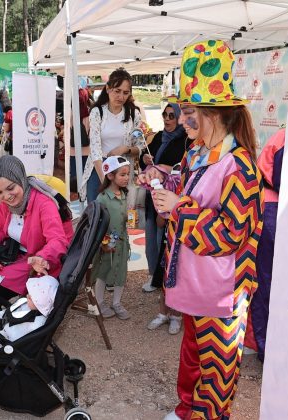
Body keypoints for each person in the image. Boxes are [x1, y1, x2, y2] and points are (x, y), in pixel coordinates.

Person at [143, 40, 264, 420]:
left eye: (190, 111)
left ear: (217, 114)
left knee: (217, 374)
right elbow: (187, 186)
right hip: (195, 285)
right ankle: (185, 412)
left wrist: (179, 208)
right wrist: (163, 178)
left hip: (221, 292)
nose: (181, 120)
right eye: (182, 111)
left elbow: (231, 234)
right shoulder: (197, 152)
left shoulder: (241, 167)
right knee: (193, 356)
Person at [0, 155, 73, 318]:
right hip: (20, 258)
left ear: (21, 179)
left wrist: (41, 257)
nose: (6, 196)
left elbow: (58, 241)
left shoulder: (43, 203)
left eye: (11, 188)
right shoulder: (7, 204)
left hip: (41, 265)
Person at [141, 103, 190, 335]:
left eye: (174, 115)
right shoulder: (161, 136)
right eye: (166, 115)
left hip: (181, 218)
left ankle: (176, 315)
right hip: (164, 207)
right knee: (165, 265)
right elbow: (147, 160)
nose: (169, 119)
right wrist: (149, 165)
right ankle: (163, 311)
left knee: (178, 271)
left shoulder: (187, 144)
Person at [250, 128, 285, 362]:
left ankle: (268, 346)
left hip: (275, 208)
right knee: (268, 281)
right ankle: (265, 348)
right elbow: (284, 180)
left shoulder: (286, 135)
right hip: (274, 209)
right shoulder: (287, 136)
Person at [83, 68, 143, 202]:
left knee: (123, 214)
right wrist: (107, 181)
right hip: (99, 167)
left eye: (125, 93)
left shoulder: (134, 114)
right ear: (108, 89)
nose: (121, 97)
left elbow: (140, 146)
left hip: (124, 170)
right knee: (97, 212)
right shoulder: (97, 112)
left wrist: (125, 149)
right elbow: (95, 149)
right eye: (117, 91)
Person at [91, 156, 132, 319]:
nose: (127, 178)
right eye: (122, 175)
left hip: (123, 241)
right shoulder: (102, 198)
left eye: (128, 174)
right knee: (104, 271)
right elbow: (96, 223)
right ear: (110, 176)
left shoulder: (124, 195)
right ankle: (100, 302)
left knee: (121, 271)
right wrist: (103, 242)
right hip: (108, 243)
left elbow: (124, 218)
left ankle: (116, 303)